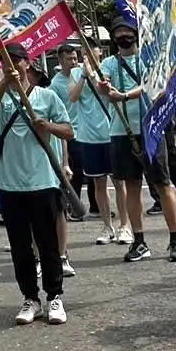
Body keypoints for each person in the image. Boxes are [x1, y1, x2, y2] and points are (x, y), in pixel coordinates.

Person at [0, 46, 74, 326]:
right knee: (20, 246)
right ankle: (30, 298)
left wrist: (46, 125)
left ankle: (54, 296)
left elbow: (69, 130)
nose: (10, 65)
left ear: (27, 63)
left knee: (48, 244)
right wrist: (3, 82)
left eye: (16, 60)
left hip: (43, 181)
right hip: (10, 183)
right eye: (4, 61)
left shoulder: (46, 96)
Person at [98, 19, 176, 263]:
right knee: (132, 186)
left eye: (127, 31)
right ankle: (139, 241)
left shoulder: (149, 59)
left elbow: (154, 86)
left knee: (163, 184)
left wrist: (124, 95)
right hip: (120, 132)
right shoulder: (108, 62)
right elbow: (102, 84)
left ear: (136, 34)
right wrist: (103, 86)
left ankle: (175, 240)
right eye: (118, 32)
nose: (123, 35)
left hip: (151, 129)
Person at [65, 48, 129, 246]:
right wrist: (84, 75)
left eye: (92, 53)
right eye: (84, 54)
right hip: (89, 136)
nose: (88, 58)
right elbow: (73, 97)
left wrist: (94, 76)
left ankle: (125, 226)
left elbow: (110, 94)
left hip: (112, 133)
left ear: (99, 52)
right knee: (98, 183)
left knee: (119, 182)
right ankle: (107, 226)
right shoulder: (76, 73)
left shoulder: (108, 68)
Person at [49, 48, 95, 220]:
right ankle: (74, 207)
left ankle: (95, 206)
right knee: (76, 172)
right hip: (72, 131)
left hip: (88, 128)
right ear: (60, 61)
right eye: (69, 59)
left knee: (92, 171)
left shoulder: (83, 74)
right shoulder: (56, 84)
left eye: (75, 58)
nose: (74, 62)